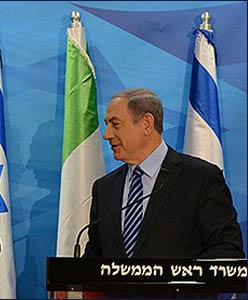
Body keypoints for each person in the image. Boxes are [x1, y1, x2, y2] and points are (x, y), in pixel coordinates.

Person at [84, 88, 245, 259]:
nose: (107, 135)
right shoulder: (104, 187)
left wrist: (178, 277)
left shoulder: (200, 178)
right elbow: (95, 254)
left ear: (146, 123)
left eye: (115, 124)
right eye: (107, 125)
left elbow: (227, 248)